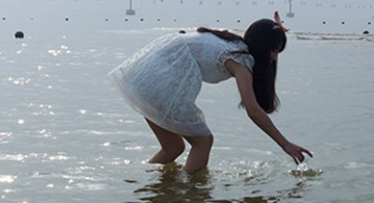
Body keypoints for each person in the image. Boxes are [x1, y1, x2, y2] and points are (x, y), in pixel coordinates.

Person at [109, 12, 312, 174]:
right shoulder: (241, 60)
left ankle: (146, 180)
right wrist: (284, 144)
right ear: (261, 46)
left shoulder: (232, 44)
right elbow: (253, 110)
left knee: (173, 148)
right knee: (203, 142)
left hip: (145, 78)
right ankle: (193, 194)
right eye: (274, 50)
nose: (274, 58)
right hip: (162, 81)